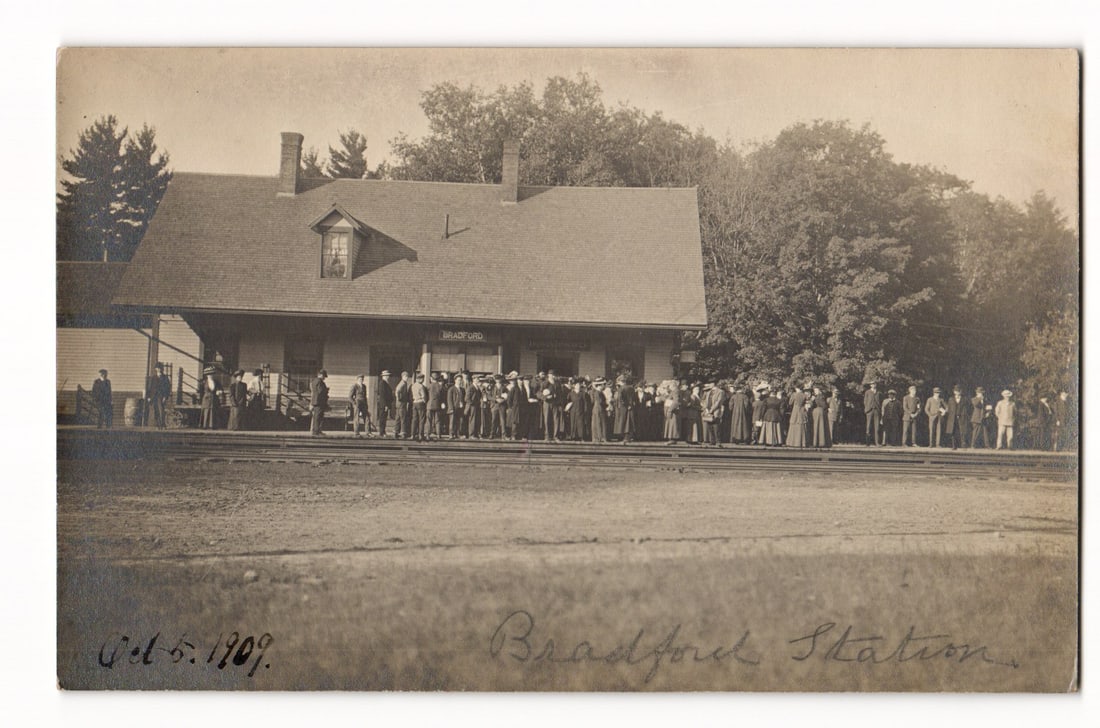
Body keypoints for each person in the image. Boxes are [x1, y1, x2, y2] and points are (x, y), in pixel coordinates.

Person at [539, 370, 566, 442]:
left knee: (556, 419)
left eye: (554, 375)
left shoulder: (557, 384)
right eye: (551, 375)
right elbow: (539, 393)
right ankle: (547, 436)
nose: (553, 376)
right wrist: (545, 397)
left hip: (555, 403)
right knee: (547, 419)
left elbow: (560, 394)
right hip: (547, 403)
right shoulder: (544, 383)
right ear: (549, 375)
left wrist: (559, 403)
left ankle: (555, 436)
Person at [944, 385, 969, 450]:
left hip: (961, 418)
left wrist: (962, 414)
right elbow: (949, 408)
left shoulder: (964, 399)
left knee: (962, 431)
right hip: (953, 418)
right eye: (956, 391)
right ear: (954, 392)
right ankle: (954, 446)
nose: (957, 393)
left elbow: (967, 409)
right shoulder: (951, 399)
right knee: (953, 432)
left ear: (960, 392)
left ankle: (963, 446)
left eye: (958, 391)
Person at [700, 381, 726, 447]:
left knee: (716, 427)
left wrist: (711, 410)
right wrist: (706, 409)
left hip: (715, 411)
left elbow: (718, 402)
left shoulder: (720, 392)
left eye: (710, 384)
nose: (709, 385)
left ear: (713, 384)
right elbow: (704, 400)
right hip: (708, 411)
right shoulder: (708, 392)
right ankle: (712, 440)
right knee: (710, 426)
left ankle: (718, 441)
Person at [613, 375, 637, 443]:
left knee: (623, 422)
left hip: (623, 408)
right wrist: (630, 405)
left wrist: (626, 405)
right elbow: (635, 398)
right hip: (631, 407)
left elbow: (621, 399)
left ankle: (625, 438)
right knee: (629, 422)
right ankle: (628, 437)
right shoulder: (631, 388)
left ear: (621, 381)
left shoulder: (621, 389)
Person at [149, 363, 171, 429]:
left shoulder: (165, 378)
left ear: (162, 369)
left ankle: (162, 424)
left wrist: (165, 397)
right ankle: (158, 425)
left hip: (161, 396)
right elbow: (150, 388)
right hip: (154, 396)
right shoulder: (153, 378)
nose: (159, 369)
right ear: (156, 369)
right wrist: (149, 397)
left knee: (161, 410)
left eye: (160, 368)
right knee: (156, 411)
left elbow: (168, 388)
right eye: (157, 368)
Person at [309, 369, 329, 436]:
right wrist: (326, 390)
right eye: (324, 376)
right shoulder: (320, 382)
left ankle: (316, 430)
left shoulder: (314, 381)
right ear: (320, 375)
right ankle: (316, 431)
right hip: (320, 401)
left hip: (315, 401)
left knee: (316, 416)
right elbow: (320, 391)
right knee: (319, 417)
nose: (324, 378)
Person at [376, 370, 395, 437]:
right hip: (383, 405)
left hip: (386, 404)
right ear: (383, 376)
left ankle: (383, 431)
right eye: (386, 375)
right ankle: (381, 432)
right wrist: (385, 405)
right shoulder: (382, 383)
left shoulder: (386, 383)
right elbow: (383, 395)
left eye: (388, 375)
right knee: (382, 418)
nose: (388, 377)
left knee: (384, 418)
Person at [590, 378, 609, 443]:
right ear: (600, 385)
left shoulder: (599, 392)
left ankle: (600, 437)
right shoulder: (597, 393)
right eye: (603, 385)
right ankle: (599, 437)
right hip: (599, 409)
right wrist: (607, 404)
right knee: (599, 422)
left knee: (600, 422)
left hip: (598, 408)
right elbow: (600, 401)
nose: (604, 386)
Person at [393, 371, 411, 439]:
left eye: (407, 377)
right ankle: (403, 432)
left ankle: (396, 432)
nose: (407, 378)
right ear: (403, 377)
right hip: (401, 404)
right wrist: (399, 398)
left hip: (399, 404)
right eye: (406, 376)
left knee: (398, 418)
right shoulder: (402, 383)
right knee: (403, 418)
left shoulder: (404, 383)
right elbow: (397, 391)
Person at [410, 373, 428, 442]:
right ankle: (421, 434)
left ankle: (413, 434)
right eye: (422, 378)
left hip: (414, 403)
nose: (423, 380)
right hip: (420, 403)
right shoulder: (421, 386)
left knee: (414, 419)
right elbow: (423, 396)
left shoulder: (413, 386)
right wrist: (425, 401)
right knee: (421, 419)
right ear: (420, 379)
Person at [427, 372, 445, 440]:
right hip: (437, 405)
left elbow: (426, 396)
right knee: (438, 420)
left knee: (429, 420)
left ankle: (428, 434)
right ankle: (438, 434)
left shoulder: (429, 386)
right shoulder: (440, 387)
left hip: (429, 405)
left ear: (431, 378)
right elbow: (443, 397)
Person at [863, 382, 882, 446]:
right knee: (868, 427)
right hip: (869, 410)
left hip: (876, 410)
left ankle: (877, 442)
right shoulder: (867, 392)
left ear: (876, 385)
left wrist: (879, 408)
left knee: (877, 427)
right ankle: (867, 443)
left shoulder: (879, 392)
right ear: (870, 385)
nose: (873, 385)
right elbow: (865, 401)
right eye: (872, 384)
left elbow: (880, 401)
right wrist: (867, 408)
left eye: (874, 384)